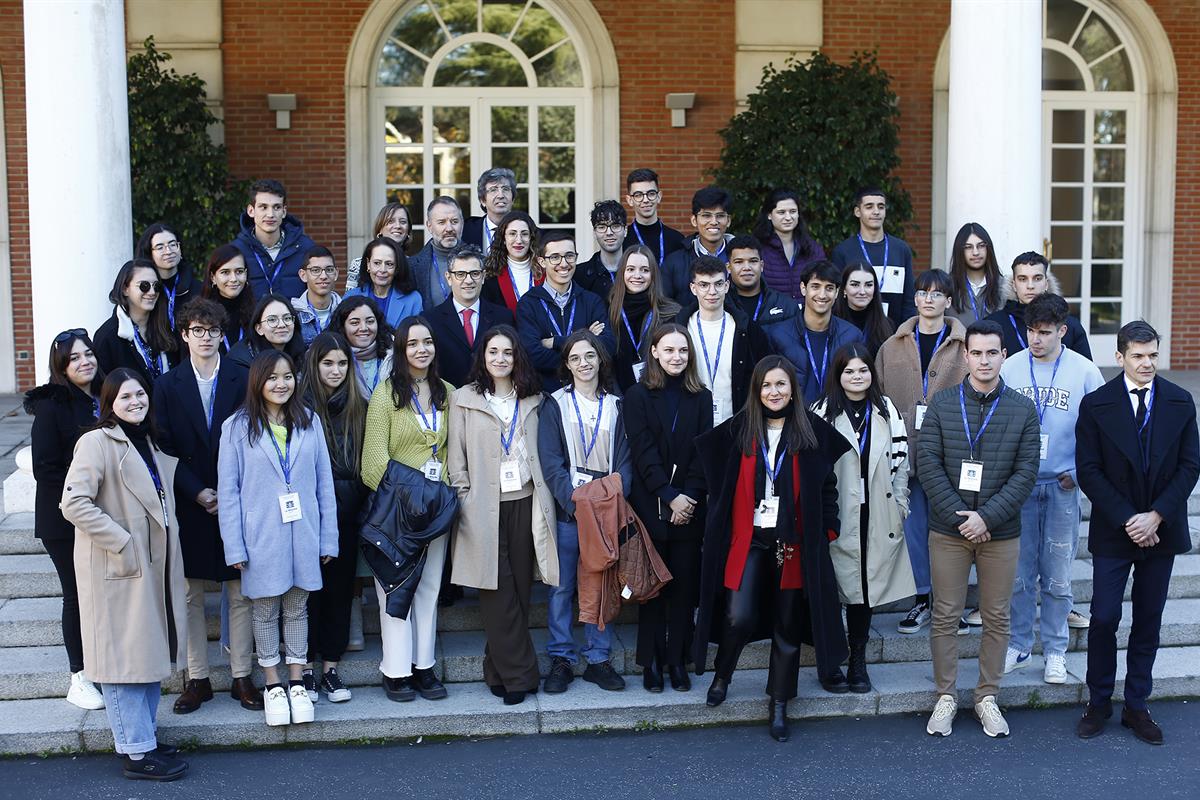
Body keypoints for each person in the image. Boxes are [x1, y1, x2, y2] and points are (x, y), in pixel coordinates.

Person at [694, 355, 851, 742]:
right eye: (766, 385)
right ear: (756, 390)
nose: (774, 392)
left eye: (781, 384)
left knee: (788, 624)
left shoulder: (811, 433)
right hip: (749, 539)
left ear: (792, 389)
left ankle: (779, 702)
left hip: (793, 543)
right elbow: (719, 488)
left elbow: (826, 489)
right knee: (740, 616)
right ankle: (723, 673)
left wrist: (826, 531)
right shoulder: (738, 432)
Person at [61, 369, 189, 781]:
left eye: (140, 394)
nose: (135, 401)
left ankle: (142, 737)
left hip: (150, 565)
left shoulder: (145, 441)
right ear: (108, 403)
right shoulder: (96, 441)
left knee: (147, 655)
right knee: (124, 664)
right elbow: (74, 503)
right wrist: (122, 541)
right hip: (118, 567)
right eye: (125, 396)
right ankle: (136, 753)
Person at [1075, 321, 1200, 744]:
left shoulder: (1181, 401)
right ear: (1120, 357)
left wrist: (1157, 516)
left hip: (1161, 529)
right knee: (1104, 618)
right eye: (1138, 356)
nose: (1147, 364)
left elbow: (1190, 466)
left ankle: (1137, 706)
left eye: (1152, 356)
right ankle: (1098, 702)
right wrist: (1131, 518)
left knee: (1149, 619)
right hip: (1116, 528)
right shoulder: (1096, 404)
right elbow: (1088, 470)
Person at [918, 320, 1040, 739]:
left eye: (993, 352)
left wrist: (986, 517)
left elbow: (1026, 473)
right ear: (965, 355)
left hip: (999, 532)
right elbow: (928, 465)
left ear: (1004, 355)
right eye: (977, 353)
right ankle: (946, 696)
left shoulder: (1023, 409)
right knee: (945, 615)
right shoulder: (942, 403)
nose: (984, 360)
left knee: (996, 617)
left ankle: (987, 696)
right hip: (948, 529)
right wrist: (961, 516)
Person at [152, 299, 261, 715]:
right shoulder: (166, 384)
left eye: (212, 330)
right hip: (189, 501)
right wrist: (198, 491)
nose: (205, 337)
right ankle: (197, 678)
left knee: (239, 591)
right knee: (190, 595)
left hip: (237, 497)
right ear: (184, 335)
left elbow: (253, 432)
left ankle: (240, 676)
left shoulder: (243, 374)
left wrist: (228, 491)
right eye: (196, 330)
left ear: (222, 334)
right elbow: (163, 446)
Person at [218, 351, 338, 727]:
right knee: (265, 610)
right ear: (258, 381)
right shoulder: (237, 427)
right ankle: (272, 683)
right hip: (261, 536)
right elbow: (229, 491)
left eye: (287, 376)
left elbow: (324, 484)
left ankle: (297, 680)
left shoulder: (309, 421)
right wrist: (234, 545)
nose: (281, 384)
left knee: (297, 607)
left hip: (304, 532)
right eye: (272, 377)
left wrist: (328, 539)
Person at [446, 326, 557, 705]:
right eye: (493, 352)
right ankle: (519, 676)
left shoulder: (534, 400)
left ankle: (495, 666)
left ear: (517, 358)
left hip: (526, 502)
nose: (500, 359)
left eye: (507, 352)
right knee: (495, 590)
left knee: (522, 589)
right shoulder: (463, 400)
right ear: (482, 356)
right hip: (482, 507)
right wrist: (464, 497)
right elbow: (456, 461)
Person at [998, 293, 1103, 683]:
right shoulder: (1009, 368)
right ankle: (1020, 645)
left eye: (1044, 332)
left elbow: (1100, 432)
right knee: (1020, 574)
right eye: (1030, 331)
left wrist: (1078, 472)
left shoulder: (1086, 372)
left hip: (1062, 486)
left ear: (1063, 330)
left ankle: (1056, 650)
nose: (1036, 340)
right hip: (1019, 487)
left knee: (1058, 575)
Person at [360, 316, 453, 702]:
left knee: (430, 588)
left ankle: (424, 666)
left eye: (427, 341)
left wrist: (440, 496)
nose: (421, 349)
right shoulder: (386, 394)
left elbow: (452, 451)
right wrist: (412, 499)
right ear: (400, 350)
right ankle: (396, 670)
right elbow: (372, 460)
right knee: (394, 590)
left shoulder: (449, 392)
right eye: (412, 343)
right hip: (396, 513)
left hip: (436, 513)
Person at [537, 330, 632, 694]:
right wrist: (575, 502)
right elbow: (551, 461)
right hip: (570, 511)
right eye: (575, 358)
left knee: (602, 583)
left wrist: (607, 502)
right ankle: (561, 658)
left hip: (606, 511)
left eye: (589, 356)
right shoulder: (554, 404)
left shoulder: (617, 405)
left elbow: (625, 462)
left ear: (600, 359)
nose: (583, 363)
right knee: (561, 588)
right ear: (566, 364)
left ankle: (598, 659)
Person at [814, 343, 913, 694]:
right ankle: (830, 661)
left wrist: (900, 504)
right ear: (838, 375)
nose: (857, 377)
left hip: (876, 511)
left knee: (864, 592)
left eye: (863, 370)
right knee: (834, 588)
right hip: (837, 511)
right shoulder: (822, 411)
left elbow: (901, 461)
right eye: (849, 371)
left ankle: (858, 659)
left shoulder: (886, 410)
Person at [875, 269, 969, 635]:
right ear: (914, 299)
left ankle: (951, 604)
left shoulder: (964, 345)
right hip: (908, 455)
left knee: (951, 529)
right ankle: (921, 599)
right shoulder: (892, 345)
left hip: (951, 456)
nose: (929, 299)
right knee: (914, 530)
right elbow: (880, 398)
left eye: (937, 294)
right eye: (922, 293)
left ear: (948, 300)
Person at [623, 324, 712, 692]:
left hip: (689, 508)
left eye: (683, 351)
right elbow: (642, 454)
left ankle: (678, 660)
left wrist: (687, 497)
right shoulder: (636, 395)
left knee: (683, 588)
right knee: (652, 588)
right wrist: (668, 495)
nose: (677, 357)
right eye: (669, 350)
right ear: (655, 353)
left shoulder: (701, 397)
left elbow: (702, 451)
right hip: (650, 506)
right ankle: (652, 663)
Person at [24, 329, 106, 710]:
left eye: (88, 354)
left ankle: (100, 665)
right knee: (76, 594)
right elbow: (46, 468)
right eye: (74, 358)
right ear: (61, 366)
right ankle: (79, 676)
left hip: (101, 515)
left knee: (100, 595)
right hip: (64, 520)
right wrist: (85, 497)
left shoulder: (102, 396)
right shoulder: (52, 405)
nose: (85, 361)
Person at [299, 332, 370, 704]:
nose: (336, 370)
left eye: (343, 363)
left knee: (340, 591)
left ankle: (330, 668)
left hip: (347, 511)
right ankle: (306, 669)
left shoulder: (361, 404)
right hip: (308, 512)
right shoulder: (298, 407)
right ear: (315, 364)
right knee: (308, 592)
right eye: (328, 362)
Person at [515, 231, 614, 391]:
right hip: (545, 396)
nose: (563, 263)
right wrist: (586, 342)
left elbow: (607, 346)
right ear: (542, 261)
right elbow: (531, 354)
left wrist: (555, 342)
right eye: (554, 257)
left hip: (589, 395)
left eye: (569, 256)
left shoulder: (591, 301)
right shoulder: (528, 304)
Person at [679, 255, 770, 426]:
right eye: (704, 285)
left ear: (727, 286)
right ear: (693, 288)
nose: (712, 292)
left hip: (736, 423)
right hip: (690, 424)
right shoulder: (679, 328)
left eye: (718, 284)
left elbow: (763, 373)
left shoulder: (747, 328)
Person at [766, 260, 865, 405]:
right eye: (815, 286)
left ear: (837, 292)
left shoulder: (852, 335)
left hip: (838, 417)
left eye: (829, 288)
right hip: (794, 419)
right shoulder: (778, 334)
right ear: (803, 288)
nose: (822, 294)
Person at [425, 243, 515, 388]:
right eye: (460, 274)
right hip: (448, 400)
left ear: (483, 276)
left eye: (475, 273)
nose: (468, 280)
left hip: (493, 399)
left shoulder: (504, 317)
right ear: (449, 278)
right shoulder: (430, 320)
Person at [830, 187, 916, 327]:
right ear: (858, 212)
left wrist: (907, 331)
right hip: (854, 332)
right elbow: (837, 297)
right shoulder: (843, 251)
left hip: (895, 334)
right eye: (869, 206)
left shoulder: (901, 249)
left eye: (880, 207)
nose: (876, 211)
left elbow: (909, 298)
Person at [985, 252, 1092, 360]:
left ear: (1046, 284)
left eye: (1037, 278)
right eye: (1023, 279)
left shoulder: (1069, 325)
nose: (1030, 286)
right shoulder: (993, 324)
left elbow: (1086, 371)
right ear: (1014, 285)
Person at [606, 245, 680, 391]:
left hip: (659, 394)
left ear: (653, 275)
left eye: (645, 270)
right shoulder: (609, 310)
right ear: (622, 273)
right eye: (631, 269)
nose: (637, 275)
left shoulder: (671, 313)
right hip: (618, 396)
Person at [93, 259, 178, 385]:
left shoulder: (166, 327)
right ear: (125, 289)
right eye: (144, 286)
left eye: (156, 286)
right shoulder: (107, 335)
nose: (152, 292)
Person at [231, 178, 317, 300]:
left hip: (295, 319)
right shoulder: (236, 250)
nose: (270, 214)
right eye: (263, 207)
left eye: (276, 207)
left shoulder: (306, 247)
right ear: (251, 211)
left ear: (284, 211)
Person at [661, 186, 734, 305]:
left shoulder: (741, 258)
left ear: (729, 220)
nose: (714, 221)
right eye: (706, 215)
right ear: (694, 220)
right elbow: (664, 305)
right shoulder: (674, 262)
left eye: (720, 216)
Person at [753, 189, 826, 302]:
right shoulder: (757, 249)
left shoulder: (812, 248)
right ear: (769, 215)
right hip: (772, 316)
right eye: (781, 212)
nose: (788, 217)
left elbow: (824, 282)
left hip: (807, 316)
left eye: (792, 211)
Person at [345, 237, 422, 329]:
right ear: (368, 264)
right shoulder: (351, 297)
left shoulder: (413, 299)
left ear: (397, 268)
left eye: (389, 264)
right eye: (377, 263)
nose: (382, 270)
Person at [136, 222, 199, 330]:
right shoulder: (141, 290)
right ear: (149, 253)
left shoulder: (198, 289)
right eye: (160, 247)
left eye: (173, 244)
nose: (168, 251)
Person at [726, 235, 798, 329]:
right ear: (728, 268)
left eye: (753, 261)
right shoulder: (721, 303)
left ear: (762, 266)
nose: (747, 268)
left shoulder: (786, 305)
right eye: (739, 262)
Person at [330, 295, 393, 401]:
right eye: (355, 323)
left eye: (370, 321)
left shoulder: (396, 353)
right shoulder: (328, 356)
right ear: (342, 327)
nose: (363, 328)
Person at [409, 196, 465, 310]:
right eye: (441, 222)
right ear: (429, 226)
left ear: (462, 223)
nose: (449, 228)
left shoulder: (480, 261)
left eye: (454, 221)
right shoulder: (413, 267)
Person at [481, 210, 541, 315]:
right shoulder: (490, 275)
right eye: (512, 234)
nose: (518, 240)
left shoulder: (545, 271)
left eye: (524, 234)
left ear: (531, 238)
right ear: (504, 238)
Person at [227, 292, 306, 370]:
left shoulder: (302, 353)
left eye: (287, 318)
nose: (282, 325)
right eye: (272, 320)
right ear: (259, 329)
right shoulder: (242, 360)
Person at [622, 168, 685, 265]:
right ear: (630, 200)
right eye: (638, 195)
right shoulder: (623, 240)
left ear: (659, 196)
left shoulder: (677, 240)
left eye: (651, 194)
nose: (646, 200)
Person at [201, 244, 255, 354]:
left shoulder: (257, 313)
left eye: (239, 271)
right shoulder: (200, 315)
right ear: (213, 277)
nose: (234, 279)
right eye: (225, 272)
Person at [947, 222, 1005, 326]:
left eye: (981, 246)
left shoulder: (1004, 287)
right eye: (968, 247)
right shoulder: (947, 287)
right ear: (959, 251)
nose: (976, 252)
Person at [833, 262, 895, 356]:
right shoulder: (831, 323)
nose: (862, 291)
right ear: (844, 289)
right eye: (855, 285)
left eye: (868, 285)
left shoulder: (887, 325)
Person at [345, 202, 412, 288]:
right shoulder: (358, 265)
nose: (398, 226)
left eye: (403, 222)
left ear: (408, 230)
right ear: (380, 228)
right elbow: (349, 300)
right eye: (391, 221)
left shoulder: (412, 265)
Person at [291, 246, 343, 345]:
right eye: (315, 270)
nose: (323, 276)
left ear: (336, 274)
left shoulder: (347, 313)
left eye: (329, 270)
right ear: (303, 275)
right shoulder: (291, 315)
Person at [575, 200, 626, 297]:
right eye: (602, 227)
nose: (609, 232)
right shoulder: (579, 275)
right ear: (594, 233)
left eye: (615, 226)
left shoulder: (638, 272)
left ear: (625, 230)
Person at [463, 167, 517, 250]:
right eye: (493, 190)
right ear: (483, 200)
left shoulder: (527, 231)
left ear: (512, 199)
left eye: (505, 189)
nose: (500, 195)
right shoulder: (466, 230)